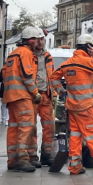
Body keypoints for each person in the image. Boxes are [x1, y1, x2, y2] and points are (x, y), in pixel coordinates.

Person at [50, 34, 93, 175]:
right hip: (86, 106)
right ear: (89, 48)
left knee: (75, 136)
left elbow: (54, 77)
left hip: (72, 106)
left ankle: (75, 166)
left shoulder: (68, 63)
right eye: (92, 47)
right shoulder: (86, 61)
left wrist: (61, 92)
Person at [1, 26, 44, 173]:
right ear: (31, 41)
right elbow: (27, 75)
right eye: (37, 39)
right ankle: (22, 159)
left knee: (13, 127)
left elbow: (2, 75)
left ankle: (12, 160)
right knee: (26, 127)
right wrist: (35, 93)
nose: (38, 42)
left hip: (11, 97)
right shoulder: (26, 53)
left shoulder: (13, 54)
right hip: (22, 96)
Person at [32, 29, 57, 166]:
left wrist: (53, 94)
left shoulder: (47, 56)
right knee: (31, 127)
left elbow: (51, 76)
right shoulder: (28, 55)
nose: (40, 42)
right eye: (38, 39)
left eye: (42, 39)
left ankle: (47, 155)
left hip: (45, 95)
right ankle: (32, 156)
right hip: (32, 96)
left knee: (49, 126)